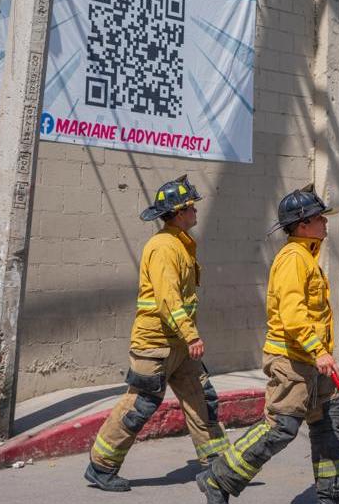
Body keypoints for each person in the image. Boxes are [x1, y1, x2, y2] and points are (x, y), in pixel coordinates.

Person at [198, 184, 339, 503]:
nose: (326, 223)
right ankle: (219, 478)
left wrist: (321, 354)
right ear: (303, 224)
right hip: (293, 361)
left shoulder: (306, 256)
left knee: (329, 421)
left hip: (313, 361)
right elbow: (293, 314)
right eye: (320, 218)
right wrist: (318, 351)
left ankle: (337, 495)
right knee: (281, 427)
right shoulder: (293, 258)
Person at [84, 175, 228, 492]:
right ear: (178, 213)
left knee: (201, 400)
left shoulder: (180, 244)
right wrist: (192, 336)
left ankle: (215, 464)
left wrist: (187, 337)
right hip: (156, 345)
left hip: (177, 344)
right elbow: (169, 299)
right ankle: (101, 466)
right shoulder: (164, 248)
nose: (195, 211)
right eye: (191, 207)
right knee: (140, 405)